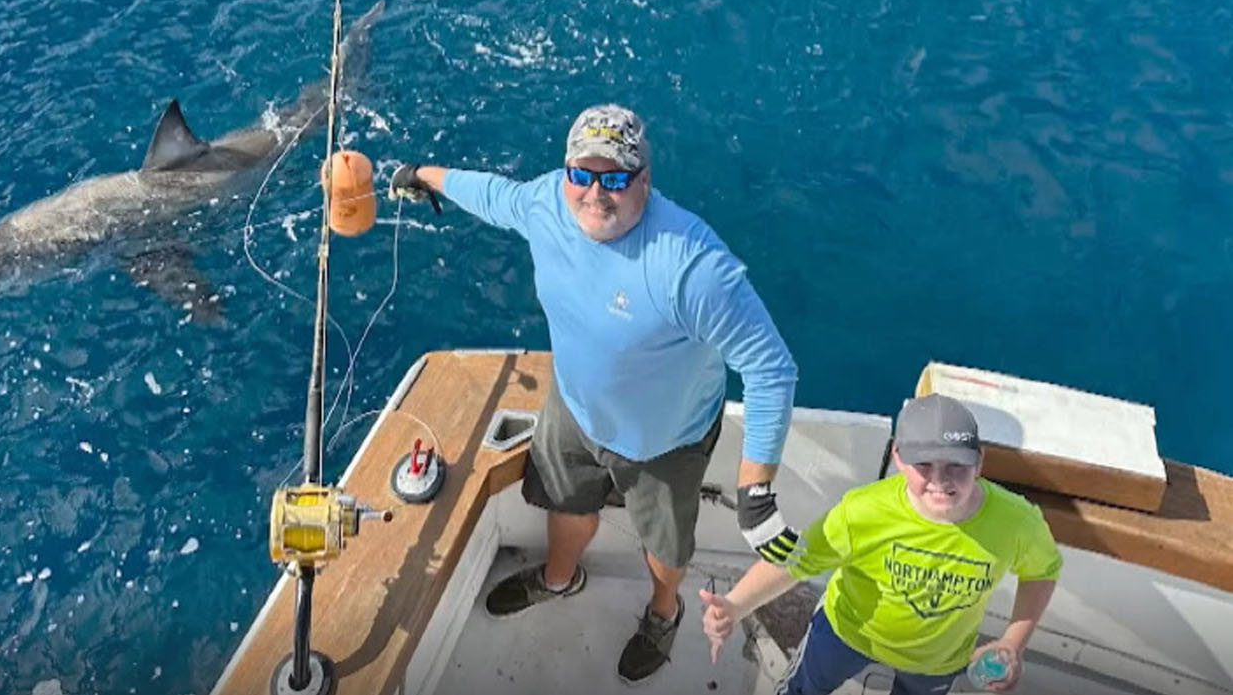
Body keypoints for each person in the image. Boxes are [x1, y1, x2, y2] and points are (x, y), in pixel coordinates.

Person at [390, 104, 799, 684]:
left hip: (666, 438)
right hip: (574, 409)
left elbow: (771, 368)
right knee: (566, 505)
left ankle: (664, 610)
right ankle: (559, 578)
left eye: (614, 178)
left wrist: (755, 490)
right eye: (582, 174)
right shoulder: (546, 203)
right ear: (566, 175)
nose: (595, 192)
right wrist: (424, 174)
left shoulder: (692, 265)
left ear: (644, 180)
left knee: (664, 547)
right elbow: (492, 194)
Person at [700, 394, 1063, 695]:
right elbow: (795, 561)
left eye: (957, 465)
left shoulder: (1018, 522)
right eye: (924, 464)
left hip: (938, 658)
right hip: (846, 631)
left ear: (979, 462)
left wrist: (1013, 642)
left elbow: (1042, 571)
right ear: (898, 459)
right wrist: (733, 606)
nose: (941, 481)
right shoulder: (863, 510)